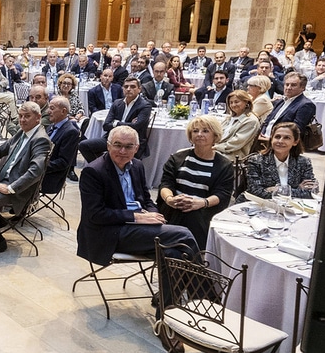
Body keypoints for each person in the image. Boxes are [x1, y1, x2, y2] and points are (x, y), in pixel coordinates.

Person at [76, 126, 199, 308]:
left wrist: (153, 213)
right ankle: (204, 298)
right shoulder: (94, 172)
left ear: (137, 147)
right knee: (184, 235)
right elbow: (95, 215)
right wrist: (136, 217)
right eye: (117, 145)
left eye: (128, 146)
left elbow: (146, 199)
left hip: (139, 230)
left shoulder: (137, 166)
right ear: (108, 146)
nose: (123, 151)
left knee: (172, 252)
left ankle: (166, 310)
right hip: (110, 233)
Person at [0, 101, 51, 256]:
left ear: (38, 118)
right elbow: (0, 149)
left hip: (18, 189)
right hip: (3, 179)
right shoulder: (23, 132)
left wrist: (10, 188)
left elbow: (36, 171)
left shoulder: (40, 139)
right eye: (20, 116)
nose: (22, 120)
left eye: (27, 116)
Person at [157, 116, 233, 248]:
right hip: (174, 208)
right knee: (181, 215)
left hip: (203, 211)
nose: (199, 134)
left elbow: (222, 194)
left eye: (205, 131)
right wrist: (170, 199)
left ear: (215, 136)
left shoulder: (224, 165)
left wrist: (201, 203)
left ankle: (190, 261)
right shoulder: (178, 158)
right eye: (195, 131)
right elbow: (166, 184)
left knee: (192, 216)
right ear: (190, 136)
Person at [78, 77, 152, 163]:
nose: (128, 89)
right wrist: (127, 124)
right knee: (83, 145)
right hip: (113, 139)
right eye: (126, 87)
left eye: (132, 87)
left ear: (139, 89)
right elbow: (106, 125)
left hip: (131, 142)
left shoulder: (145, 106)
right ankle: (103, 168)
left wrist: (115, 123)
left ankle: (109, 168)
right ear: (123, 89)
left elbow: (136, 127)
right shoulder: (117, 103)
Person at [243, 122, 317, 200]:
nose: (280, 141)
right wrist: (298, 189)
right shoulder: (256, 161)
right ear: (271, 139)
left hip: (292, 207)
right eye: (277, 137)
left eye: (287, 138)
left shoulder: (304, 162)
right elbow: (255, 192)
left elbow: (311, 191)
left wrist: (276, 189)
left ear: (295, 142)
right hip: (260, 206)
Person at [258, 71, 315, 141]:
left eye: (293, 85)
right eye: (286, 84)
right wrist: (261, 134)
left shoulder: (306, 105)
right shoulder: (280, 101)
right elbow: (267, 121)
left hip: (281, 143)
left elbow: (296, 130)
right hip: (263, 138)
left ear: (302, 88)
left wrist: (272, 139)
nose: (288, 88)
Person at [41, 96, 80, 191]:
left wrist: (39, 166)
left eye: (52, 108)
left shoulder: (71, 132)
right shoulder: (50, 127)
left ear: (63, 111)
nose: (48, 111)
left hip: (50, 178)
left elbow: (63, 162)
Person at [214, 90, 260, 162]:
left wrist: (215, 147)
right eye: (231, 103)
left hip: (233, 155)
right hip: (219, 150)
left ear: (246, 102)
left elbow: (236, 143)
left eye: (236, 102)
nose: (233, 105)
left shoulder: (251, 120)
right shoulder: (230, 118)